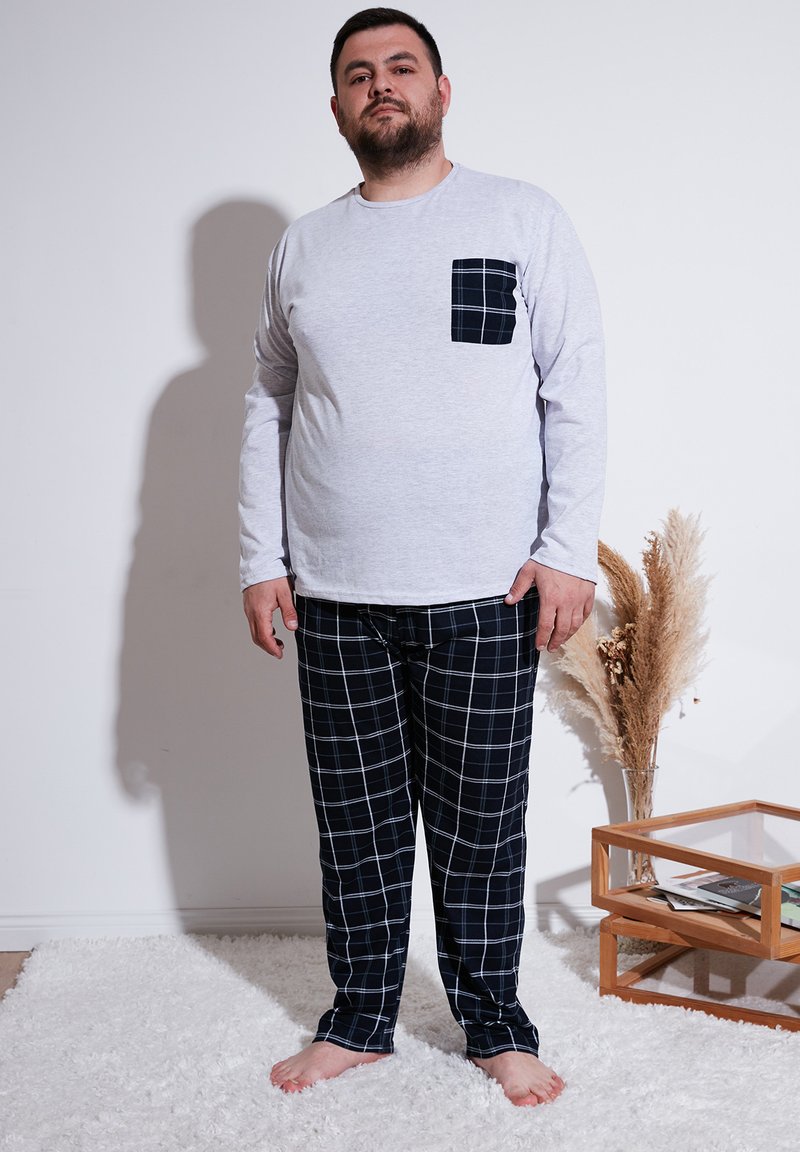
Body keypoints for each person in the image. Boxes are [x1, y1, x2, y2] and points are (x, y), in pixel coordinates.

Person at [239, 7, 605, 1109]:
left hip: (487, 587)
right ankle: (358, 1019)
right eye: (359, 73)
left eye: (402, 67)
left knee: (480, 828)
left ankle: (495, 1025)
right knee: (354, 827)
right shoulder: (304, 245)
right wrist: (261, 557)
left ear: (442, 92)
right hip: (335, 592)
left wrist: (565, 550)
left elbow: (573, 389)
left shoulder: (520, 216)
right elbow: (267, 403)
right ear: (337, 107)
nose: (381, 85)